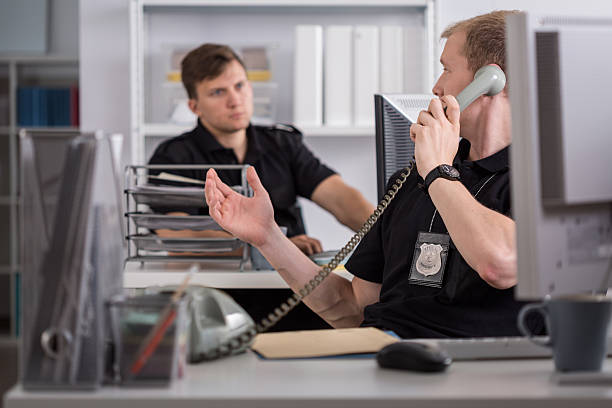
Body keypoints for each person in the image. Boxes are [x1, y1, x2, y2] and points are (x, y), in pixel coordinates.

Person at [204, 10, 541, 339]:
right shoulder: (411, 181)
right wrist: (267, 237)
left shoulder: (541, 180)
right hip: (382, 360)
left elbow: (499, 264)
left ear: (490, 82)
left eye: (446, 69)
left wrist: (439, 170)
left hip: (467, 375)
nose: (437, 87)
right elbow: (351, 308)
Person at [149, 43, 374, 255]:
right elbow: (178, 234)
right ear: (194, 106)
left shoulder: (282, 143)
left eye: (239, 86)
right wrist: (274, 247)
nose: (235, 100)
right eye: (218, 92)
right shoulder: (172, 157)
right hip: (216, 287)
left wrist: (393, 235)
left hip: (292, 284)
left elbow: (341, 199)